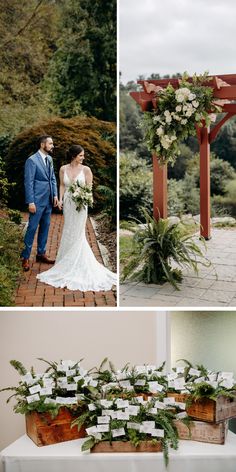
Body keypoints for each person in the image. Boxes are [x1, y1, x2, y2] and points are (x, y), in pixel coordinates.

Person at [36, 144, 117, 291]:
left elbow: (89, 188)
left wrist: (84, 197)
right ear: (74, 156)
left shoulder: (86, 170)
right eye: (81, 155)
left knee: (78, 233)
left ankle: (77, 263)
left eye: (83, 155)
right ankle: (65, 262)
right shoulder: (63, 169)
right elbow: (61, 185)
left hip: (81, 205)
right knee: (68, 230)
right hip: (68, 203)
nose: (83, 157)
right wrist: (59, 200)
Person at [21, 135, 58, 271]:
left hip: (48, 200)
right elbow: (28, 182)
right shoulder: (31, 160)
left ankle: (41, 254)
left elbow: (52, 178)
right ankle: (25, 257)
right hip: (36, 201)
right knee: (32, 228)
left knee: (45, 227)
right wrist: (30, 201)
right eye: (50, 143)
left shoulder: (50, 159)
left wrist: (55, 195)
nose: (52, 146)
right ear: (42, 145)